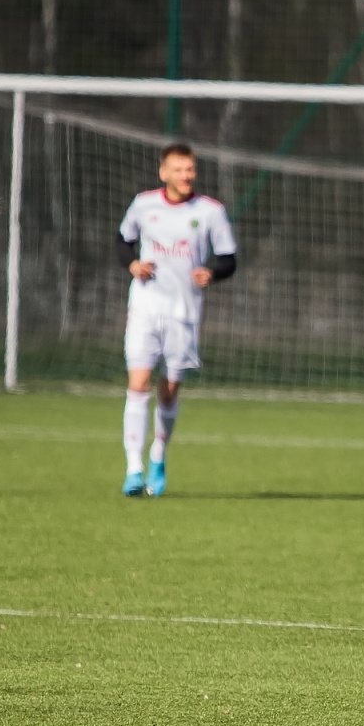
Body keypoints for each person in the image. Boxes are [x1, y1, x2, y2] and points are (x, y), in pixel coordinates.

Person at [115, 143, 237, 497]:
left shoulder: (211, 211)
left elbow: (229, 259)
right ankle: (133, 469)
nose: (186, 176)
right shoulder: (144, 204)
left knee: (168, 391)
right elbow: (124, 241)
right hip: (145, 306)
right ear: (163, 172)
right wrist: (133, 264)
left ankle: (158, 457)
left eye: (190, 170)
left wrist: (211, 274)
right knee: (138, 384)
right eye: (179, 169)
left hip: (184, 313)